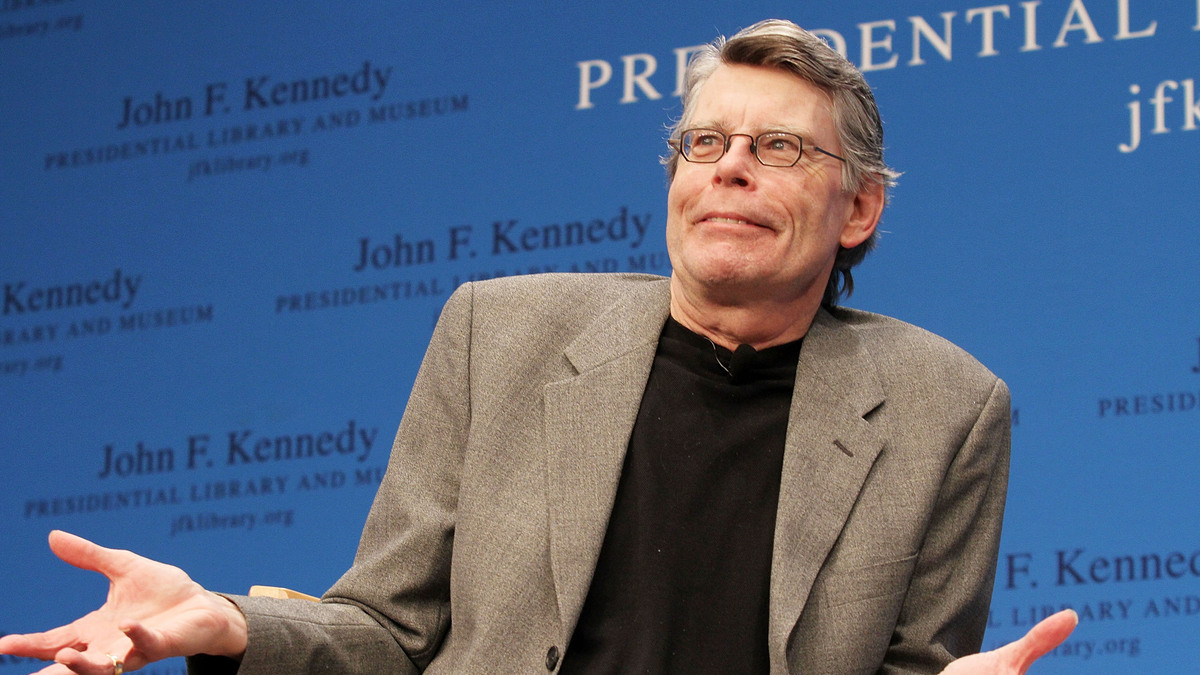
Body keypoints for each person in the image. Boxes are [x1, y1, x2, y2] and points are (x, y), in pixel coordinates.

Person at [0, 19, 1077, 675]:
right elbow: (387, 631)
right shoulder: (498, 334)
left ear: (859, 209)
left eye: (781, 147)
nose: (731, 166)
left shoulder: (946, 407)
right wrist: (225, 625)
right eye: (706, 141)